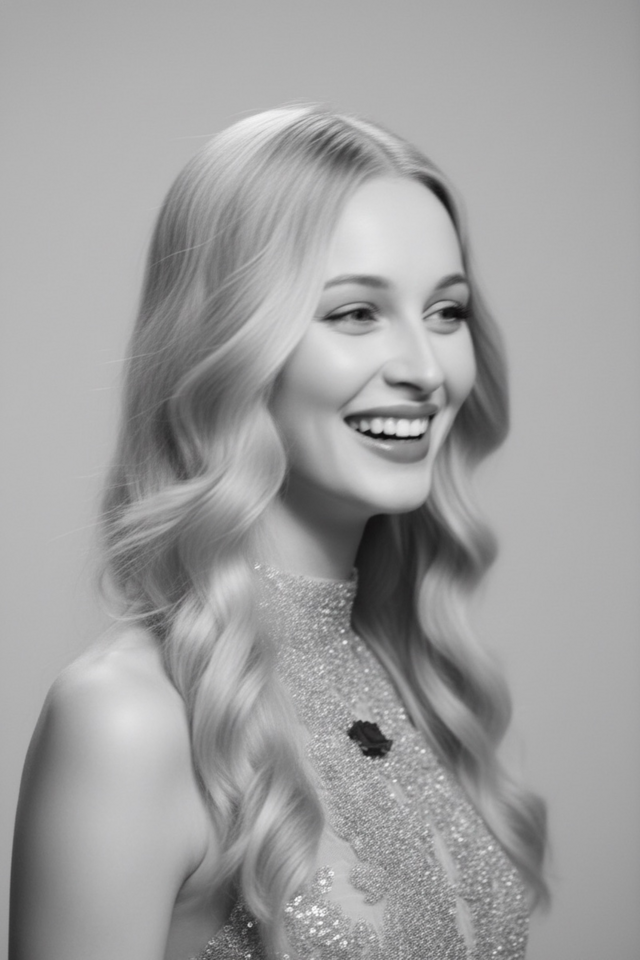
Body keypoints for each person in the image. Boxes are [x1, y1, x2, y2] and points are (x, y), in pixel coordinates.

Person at [9, 104, 548, 960]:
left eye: (446, 312)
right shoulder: (128, 719)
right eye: (355, 313)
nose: (424, 369)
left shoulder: (411, 678)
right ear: (227, 342)